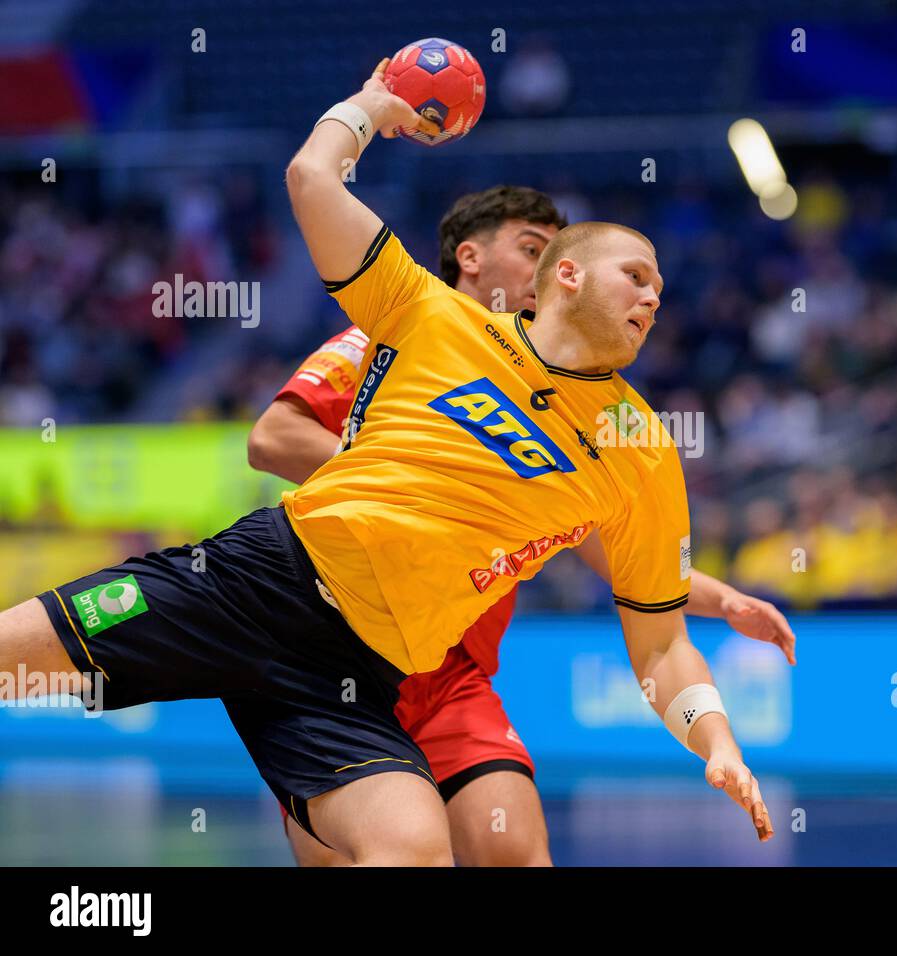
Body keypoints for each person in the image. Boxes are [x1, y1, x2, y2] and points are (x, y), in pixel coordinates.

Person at [0, 59, 774, 865]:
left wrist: (714, 738)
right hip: (254, 582)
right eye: (638, 276)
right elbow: (311, 179)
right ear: (566, 276)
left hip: (354, 669)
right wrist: (372, 106)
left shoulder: (640, 448)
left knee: (413, 852)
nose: (654, 298)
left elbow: (657, 641)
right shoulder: (428, 315)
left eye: (661, 289)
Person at [250, 184, 797, 866]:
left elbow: (607, 543)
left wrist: (717, 598)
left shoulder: (579, 403)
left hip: (453, 675)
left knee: (515, 853)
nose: (542, 268)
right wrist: (417, 498)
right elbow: (272, 436)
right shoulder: (396, 323)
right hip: (334, 653)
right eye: (529, 249)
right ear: (470, 259)